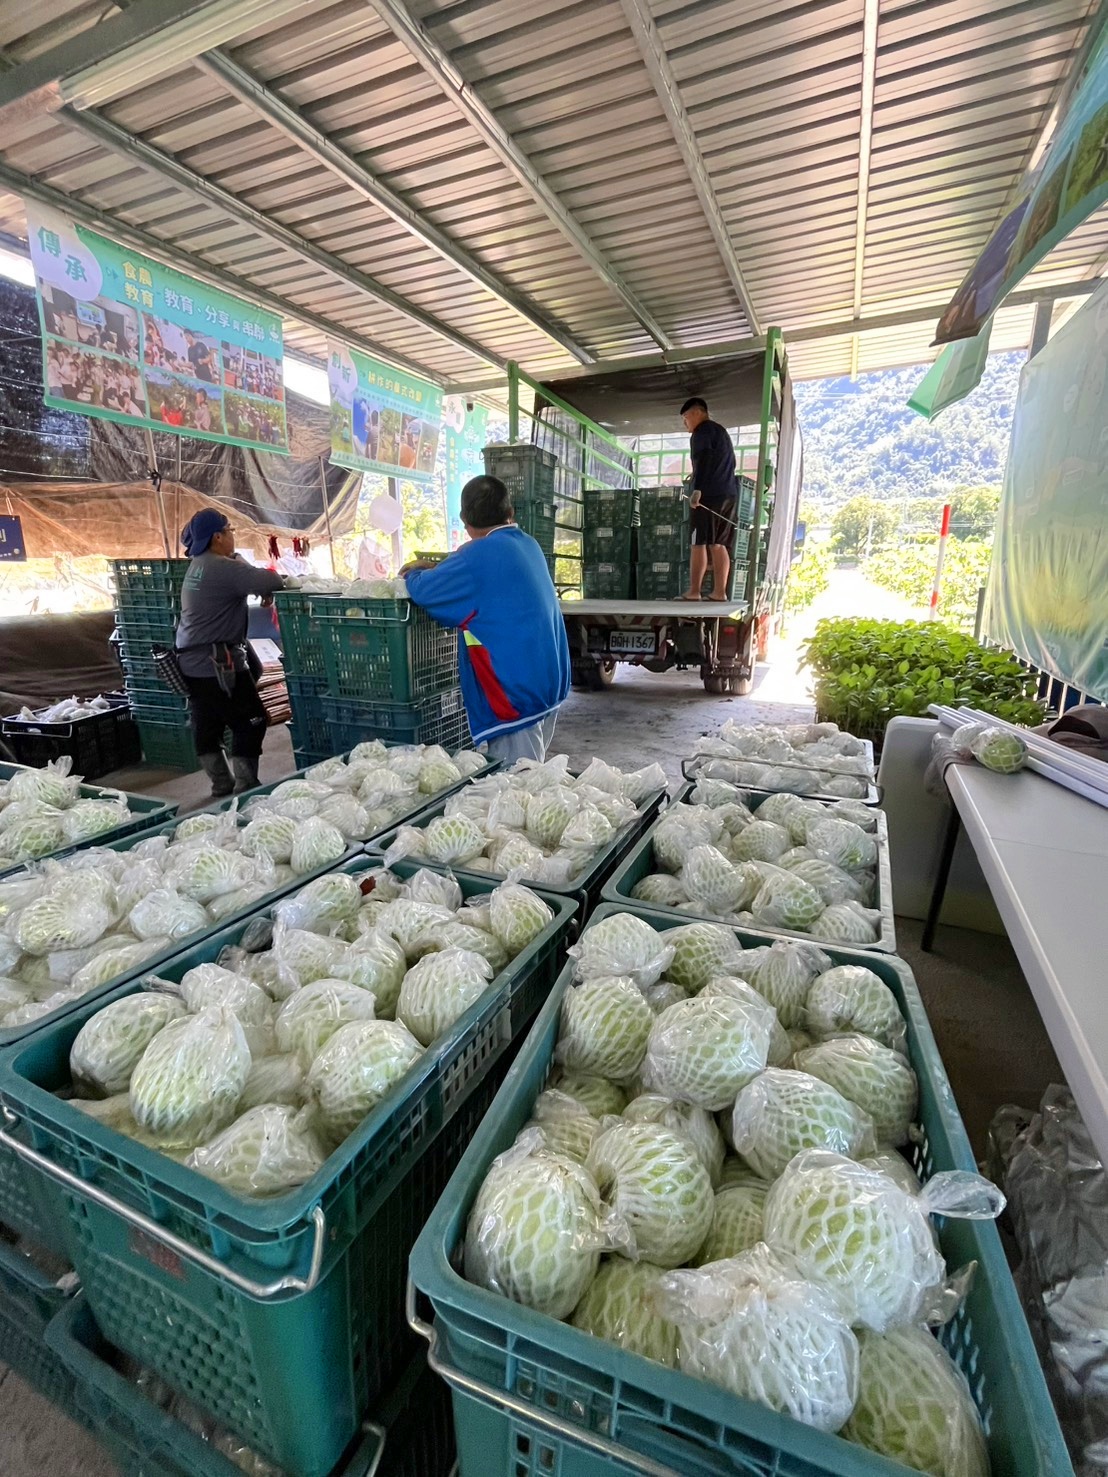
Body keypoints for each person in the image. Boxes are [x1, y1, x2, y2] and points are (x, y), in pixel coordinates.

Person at [403, 475, 570, 764]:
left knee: (517, 789)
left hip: (515, 695)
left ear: (464, 520)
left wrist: (412, 573)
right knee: (535, 773)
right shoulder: (527, 544)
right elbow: (488, 581)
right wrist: (439, 567)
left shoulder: (475, 556)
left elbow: (424, 591)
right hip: (549, 682)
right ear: (511, 513)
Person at [175, 510, 285, 797]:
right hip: (218, 663)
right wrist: (240, 561)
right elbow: (272, 581)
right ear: (218, 537)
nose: (233, 535)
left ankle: (221, 783)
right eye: (230, 529)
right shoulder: (220, 566)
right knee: (252, 720)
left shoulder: (198, 564)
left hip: (193, 661)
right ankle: (246, 784)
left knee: (207, 723)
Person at [679, 396, 737, 601]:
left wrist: (698, 490)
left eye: (685, 418)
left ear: (696, 413)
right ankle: (720, 592)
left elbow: (703, 461)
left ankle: (694, 591)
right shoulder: (720, 432)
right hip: (728, 493)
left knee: (698, 542)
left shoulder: (701, 432)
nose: (685, 423)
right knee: (718, 544)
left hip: (708, 495)